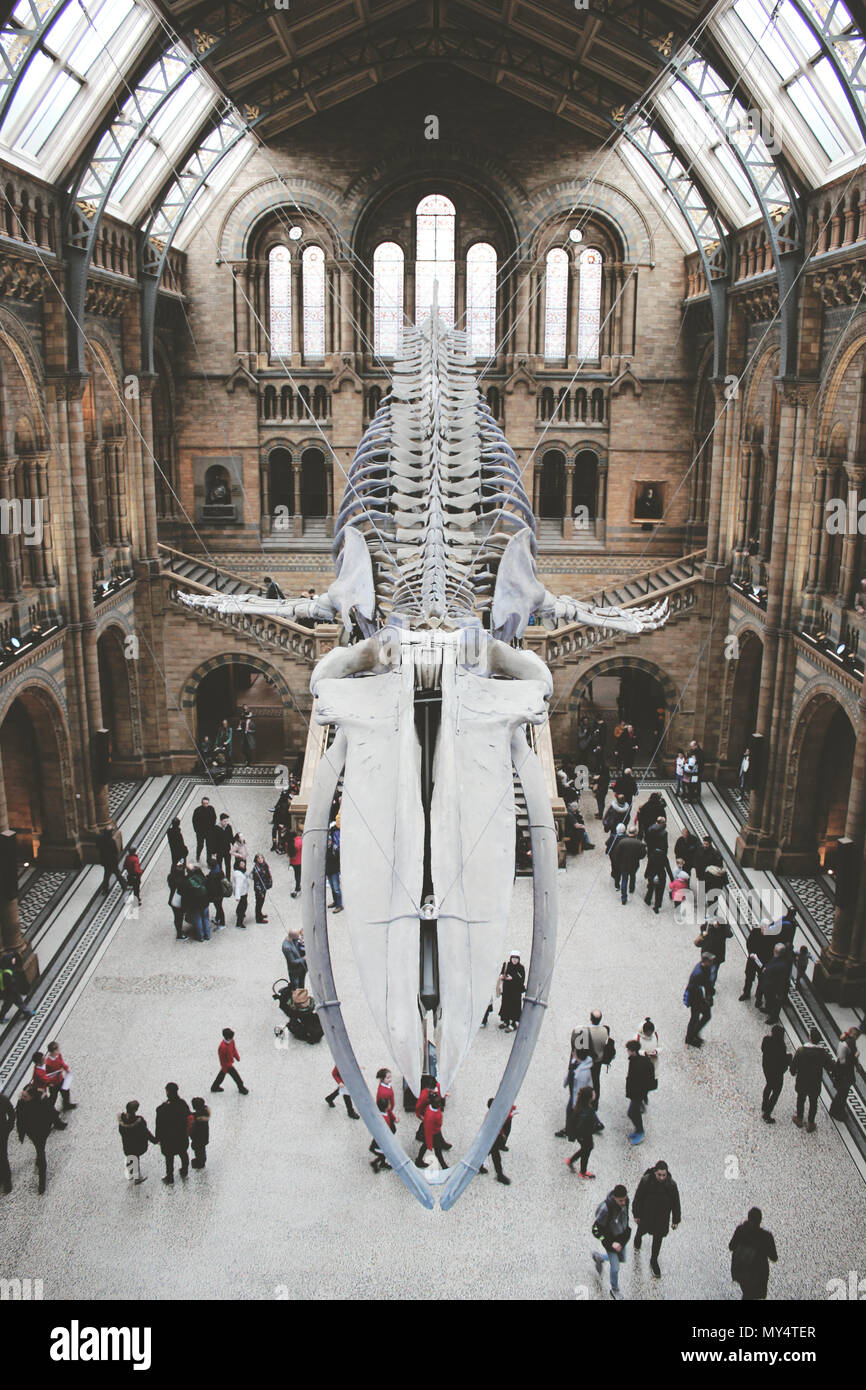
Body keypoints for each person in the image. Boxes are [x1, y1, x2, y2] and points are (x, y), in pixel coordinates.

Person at [632, 1161, 681, 1278]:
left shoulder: (671, 1185)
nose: (662, 1177)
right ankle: (637, 1238)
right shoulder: (646, 1181)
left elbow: (676, 1203)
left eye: (664, 1175)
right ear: (655, 1172)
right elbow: (638, 1198)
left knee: (658, 1239)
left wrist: (675, 1220)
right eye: (659, 1175)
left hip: (662, 1218)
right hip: (646, 1215)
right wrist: (636, 1214)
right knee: (642, 1230)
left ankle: (654, 1260)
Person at [16, 1081, 65, 1194]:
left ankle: (42, 1182)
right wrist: (21, 1133)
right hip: (32, 1132)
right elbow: (19, 1118)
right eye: (22, 1095)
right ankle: (39, 1159)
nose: (22, 1097)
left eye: (25, 1096)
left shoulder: (42, 1102)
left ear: (32, 1097)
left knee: (40, 1150)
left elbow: (51, 1114)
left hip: (40, 1132)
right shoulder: (22, 1102)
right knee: (39, 1149)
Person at [591, 1185, 631, 1300]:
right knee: (615, 1267)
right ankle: (615, 1289)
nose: (623, 1202)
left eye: (625, 1199)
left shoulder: (626, 1201)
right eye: (620, 1200)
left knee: (622, 1259)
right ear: (614, 1197)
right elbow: (595, 1230)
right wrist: (611, 1243)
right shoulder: (605, 1209)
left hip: (621, 1239)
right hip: (611, 1241)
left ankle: (600, 1257)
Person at [729, 1208, 777, 1301]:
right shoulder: (766, 1236)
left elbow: (731, 1246)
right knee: (751, 1295)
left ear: (748, 1217)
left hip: (740, 1270)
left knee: (747, 1294)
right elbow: (774, 1257)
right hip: (758, 1274)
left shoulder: (740, 1230)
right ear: (760, 1220)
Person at [790, 1026, 830, 1131]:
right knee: (813, 1102)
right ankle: (811, 1123)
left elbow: (794, 1065)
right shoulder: (822, 1053)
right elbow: (830, 1066)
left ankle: (799, 1118)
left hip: (802, 1080)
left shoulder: (801, 1050)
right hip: (815, 1081)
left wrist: (793, 1072)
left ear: (810, 1037)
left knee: (801, 1099)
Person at [155, 1082, 191, 1185]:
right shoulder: (182, 1104)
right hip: (181, 1136)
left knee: (169, 1158)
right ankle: (184, 1171)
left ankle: (170, 1177)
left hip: (168, 1139)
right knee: (183, 1153)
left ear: (167, 1092)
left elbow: (159, 1125)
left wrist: (158, 1138)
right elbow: (188, 1117)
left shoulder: (162, 1109)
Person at [557, 1048, 594, 1139]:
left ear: (578, 1056)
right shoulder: (576, 1062)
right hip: (574, 1092)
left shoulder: (583, 1074)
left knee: (571, 1112)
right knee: (571, 1112)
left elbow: (579, 1090)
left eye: (575, 1052)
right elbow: (570, 1072)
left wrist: (574, 1104)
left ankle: (569, 1131)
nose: (573, 1053)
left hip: (578, 1097)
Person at [760, 1024, 792, 1123]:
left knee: (769, 1085)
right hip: (777, 1072)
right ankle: (767, 1114)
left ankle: (764, 1104)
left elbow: (763, 1049)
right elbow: (781, 1061)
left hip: (767, 1068)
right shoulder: (781, 1046)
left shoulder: (766, 1040)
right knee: (776, 1093)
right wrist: (789, 1058)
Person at [118, 1100, 155, 1185]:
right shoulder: (139, 1121)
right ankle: (137, 1178)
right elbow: (146, 1133)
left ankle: (131, 1172)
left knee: (130, 1156)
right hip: (137, 1145)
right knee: (135, 1158)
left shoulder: (122, 1122)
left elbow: (121, 1132)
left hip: (127, 1145)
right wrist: (155, 1141)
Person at [625, 1039, 654, 1145]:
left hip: (637, 1093)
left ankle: (640, 1131)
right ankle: (638, 1130)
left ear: (633, 1051)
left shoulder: (637, 1063)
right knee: (634, 1112)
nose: (627, 1051)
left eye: (628, 1049)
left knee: (632, 1113)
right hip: (638, 1093)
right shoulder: (639, 1060)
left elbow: (637, 1080)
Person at [479, 1097, 513, 1184]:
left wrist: (501, 1134)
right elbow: (494, 1127)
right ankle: (499, 1175)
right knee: (495, 1156)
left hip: (493, 1138)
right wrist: (500, 1135)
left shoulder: (493, 1114)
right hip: (491, 1138)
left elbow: (499, 1126)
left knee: (488, 1153)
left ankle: (480, 1166)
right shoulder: (491, 1117)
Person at [565, 1085, 597, 1178]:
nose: (595, 1094)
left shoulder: (580, 1107)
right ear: (589, 1098)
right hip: (585, 1136)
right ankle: (582, 1172)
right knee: (587, 1150)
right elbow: (587, 1125)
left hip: (581, 1136)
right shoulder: (588, 1111)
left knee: (585, 1149)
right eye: (593, 1093)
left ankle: (571, 1160)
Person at [740, 922, 776, 1003]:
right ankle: (746, 993)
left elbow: (772, 951)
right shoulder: (755, 932)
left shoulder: (771, 937)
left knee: (762, 980)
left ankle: (758, 998)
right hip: (753, 959)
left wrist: (767, 965)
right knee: (749, 976)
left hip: (763, 961)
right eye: (763, 928)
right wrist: (751, 952)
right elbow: (749, 942)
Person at [685, 953, 715, 1047]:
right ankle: (689, 1038)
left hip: (700, 998)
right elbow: (692, 988)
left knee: (705, 1016)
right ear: (705, 961)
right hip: (695, 999)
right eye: (710, 961)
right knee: (695, 1018)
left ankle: (694, 1034)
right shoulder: (698, 973)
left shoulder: (706, 968)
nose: (712, 962)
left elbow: (707, 984)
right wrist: (702, 1001)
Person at [830, 1027, 860, 1119]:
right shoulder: (845, 1044)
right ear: (854, 1035)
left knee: (843, 1093)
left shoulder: (849, 1042)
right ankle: (835, 1111)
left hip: (845, 1073)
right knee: (842, 1093)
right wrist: (855, 1057)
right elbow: (843, 1061)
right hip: (844, 1074)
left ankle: (838, 1109)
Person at [610, 827, 646, 904]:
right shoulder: (639, 843)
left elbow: (616, 854)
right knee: (633, 876)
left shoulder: (622, 842)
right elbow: (642, 855)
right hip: (634, 864)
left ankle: (623, 898)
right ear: (635, 833)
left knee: (624, 879)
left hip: (624, 864)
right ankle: (631, 889)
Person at [759, 942, 792, 1023]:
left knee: (775, 1004)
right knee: (769, 1000)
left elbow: (782, 980)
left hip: (774, 988)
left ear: (776, 951)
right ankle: (768, 1009)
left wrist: (779, 992)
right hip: (768, 985)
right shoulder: (776, 958)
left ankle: (774, 1018)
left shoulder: (782, 965)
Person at [415, 1091, 448, 1169]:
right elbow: (427, 1129)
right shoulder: (431, 1115)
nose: (439, 1104)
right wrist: (429, 1141)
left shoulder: (432, 1107)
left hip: (435, 1131)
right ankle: (444, 1166)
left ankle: (419, 1160)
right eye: (437, 1102)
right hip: (433, 1134)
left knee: (425, 1146)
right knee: (437, 1151)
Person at [211, 1027, 248, 1094]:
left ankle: (214, 1087)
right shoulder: (222, 1047)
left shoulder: (231, 1041)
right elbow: (222, 1059)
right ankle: (241, 1088)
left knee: (221, 1076)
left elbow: (234, 1049)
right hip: (227, 1065)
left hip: (229, 1064)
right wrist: (225, 1067)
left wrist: (237, 1057)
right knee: (237, 1078)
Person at [0, 948, 33, 1022]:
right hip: (10, 992)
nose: (14, 960)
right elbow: (9, 984)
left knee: (19, 1002)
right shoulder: (7, 973)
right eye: (12, 959)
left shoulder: (6, 970)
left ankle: (27, 1013)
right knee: (8, 1005)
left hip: (11, 992)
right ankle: (1, 1018)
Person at [43, 1041, 76, 1112]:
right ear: (53, 1051)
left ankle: (67, 1104)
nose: (59, 1051)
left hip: (60, 1079)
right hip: (53, 1083)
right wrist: (49, 1083)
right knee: (53, 1097)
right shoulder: (48, 1062)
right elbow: (46, 1074)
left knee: (66, 1092)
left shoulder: (59, 1056)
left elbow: (62, 1063)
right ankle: (50, 1109)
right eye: (57, 1050)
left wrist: (66, 1069)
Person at [183, 860, 211, 942]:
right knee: (205, 918)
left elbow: (186, 895)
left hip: (195, 904)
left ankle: (201, 937)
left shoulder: (187, 881)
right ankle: (208, 935)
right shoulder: (200, 876)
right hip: (204, 901)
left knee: (198, 919)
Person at [498, 952, 526, 1032]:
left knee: (515, 1007)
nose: (514, 960)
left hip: (516, 991)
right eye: (513, 958)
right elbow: (502, 973)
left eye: (516, 958)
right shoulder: (506, 965)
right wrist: (502, 976)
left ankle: (513, 1023)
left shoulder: (520, 968)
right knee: (505, 1005)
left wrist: (513, 978)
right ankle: (506, 1021)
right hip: (507, 990)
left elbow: (522, 979)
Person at [98, 827, 126, 896]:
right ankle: (124, 885)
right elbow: (115, 851)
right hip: (112, 861)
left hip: (105, 861)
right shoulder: (111, 841)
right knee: (117, 873)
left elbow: (97, 847)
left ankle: (105, 890)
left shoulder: (100, 839)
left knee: (107, 875)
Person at [192, 797, 217, 861]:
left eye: (207, 803)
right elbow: (194, 821)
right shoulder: (197, 810)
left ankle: (208, 860)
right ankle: (198, 856)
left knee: (209, 847)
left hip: (209, 832)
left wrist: (212, 829)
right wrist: (197, 830)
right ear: (202, 803)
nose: (205, 805)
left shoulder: (211, 809)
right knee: (200, 845)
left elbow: (214, 818)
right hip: (200, 832)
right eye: (204, 803)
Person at [206, 857, 227, 929]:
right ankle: (217, 918)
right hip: (221, 892)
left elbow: (211, 886)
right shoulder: (220, 871)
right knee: (219, 906)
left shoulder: (212, 875)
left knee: (219, 908)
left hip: (216, 894)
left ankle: (222, 923)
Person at [326, 822, 343, 911]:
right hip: (328, 871)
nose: (328, 842)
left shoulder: (334, 848)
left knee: (336, 889)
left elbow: (336, 858)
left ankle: (339, 905)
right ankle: (335, 902)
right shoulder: (326, 848)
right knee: (333, 888)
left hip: (334, 871)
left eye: (329, 841)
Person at [189, 1097, 210, 1168]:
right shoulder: (204, 1113)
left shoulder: (197, 1119)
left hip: (197, 1138)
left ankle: (200, 1163)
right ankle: (201, 1161)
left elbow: (193, 1129)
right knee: (202, 1150)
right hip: (204, 1136)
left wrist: (191, 1134)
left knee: (198, 1151)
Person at [251, 853, 272, 923]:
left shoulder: (265, 865)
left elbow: (268, 874)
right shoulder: (256, 869)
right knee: (259, 903)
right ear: (256, 860)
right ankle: (258, 919)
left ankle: (260, 914)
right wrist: (260, 891)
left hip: (264, 886)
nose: (260, 860)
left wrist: (269, 883)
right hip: (259, 889)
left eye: (261, 858)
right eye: (259, 858)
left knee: (261, 902)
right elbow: (256, 882)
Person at [0, 1091, 14, 1193]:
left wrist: (8, 1128)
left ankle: (7, 1179)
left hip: (2, 1133)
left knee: (2, 1156)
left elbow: (12, 1114)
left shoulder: (3, 1100)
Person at [213, 814, 234, 880]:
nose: (226, 823)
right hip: (219, 851)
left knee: (228, 866)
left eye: (227, 821)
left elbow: (231, 838)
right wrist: (213, 851)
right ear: (221, 821)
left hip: (227, 850)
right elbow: (212, 841)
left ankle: (228, 879)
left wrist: (236, 846)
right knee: (219, 865)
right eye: (225, 821)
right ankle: (221, 878)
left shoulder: (229, 827)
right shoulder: (216, 828)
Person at [232, 857, 249, 929]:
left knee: (242, 905)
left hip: (242, 892)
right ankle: (239, 923)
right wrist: (237, 897)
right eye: (241, 863)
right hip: (242, 893)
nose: (244, 864)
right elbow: (238, 886)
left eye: (243, 863)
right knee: (243, 906)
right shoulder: (239, 875)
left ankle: (238, 912)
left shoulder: (238, 871)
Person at [289, 829, 303, 896]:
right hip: (300, 861)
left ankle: (298, 886)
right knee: (299, 874)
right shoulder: (300, 841)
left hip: (294, 862)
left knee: (297, 874)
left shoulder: (289, 843)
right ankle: (298, 887)